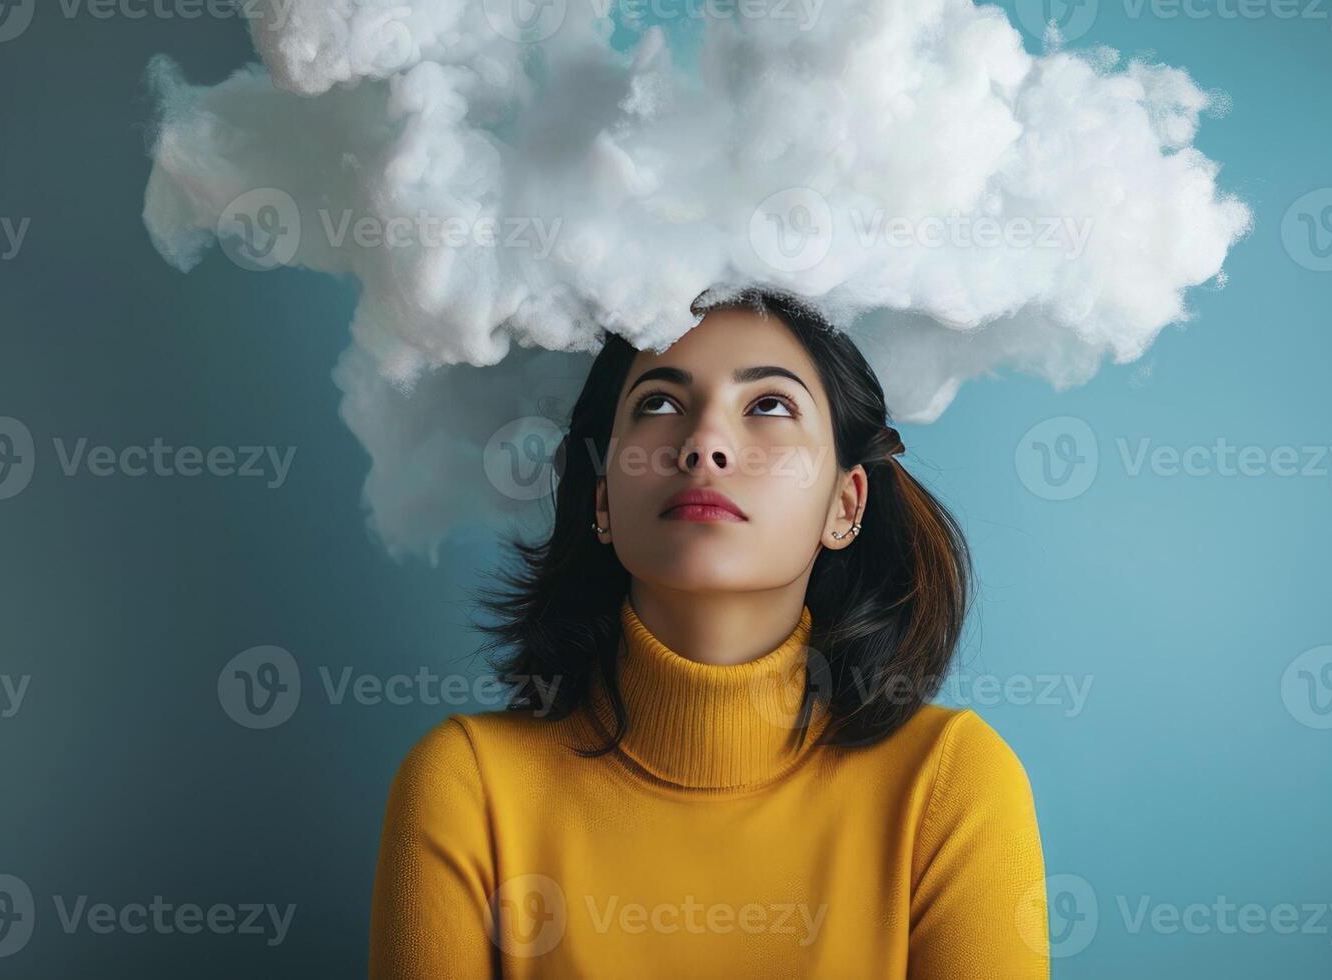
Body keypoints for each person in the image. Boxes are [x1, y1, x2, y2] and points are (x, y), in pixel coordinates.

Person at [368, 287, 1050, 978]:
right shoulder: (466, 786)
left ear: (844, 505)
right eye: (658, 404)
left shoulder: (947, 783)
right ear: (602, 499)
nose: (703, 446)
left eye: (768, 406)